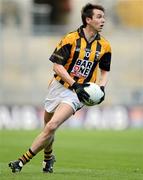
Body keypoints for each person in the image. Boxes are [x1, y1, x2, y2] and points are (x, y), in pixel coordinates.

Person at [9, 3, 112, 173]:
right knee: (47, 126)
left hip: (78, 94)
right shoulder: (71, 39)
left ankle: (21, 161)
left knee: (52, 126)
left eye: (103, 17)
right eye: (99, 17)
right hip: (58, 87)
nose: (103, 20)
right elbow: (57, 66)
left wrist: (101, 88)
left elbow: (105, 71)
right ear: (88, 20)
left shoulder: (105, 46)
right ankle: (48, 158)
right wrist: (74, 84)